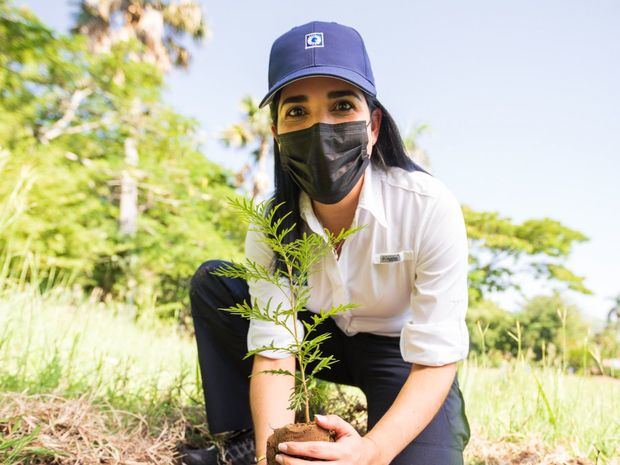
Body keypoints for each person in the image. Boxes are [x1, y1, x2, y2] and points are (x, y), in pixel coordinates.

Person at [183, 20, 471, 465]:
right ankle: (243, 439)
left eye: (341, 106)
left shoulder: (427, 207)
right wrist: (270, 453)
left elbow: (435, 360)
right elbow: (275, 353)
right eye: (297, 111)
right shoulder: (272, 223)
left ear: (373, 125)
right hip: (315, 340)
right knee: (216, 282)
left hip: (398, 353)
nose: (321, 127)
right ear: (277, 133)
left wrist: (373, 451)